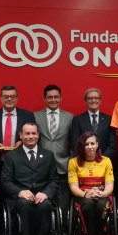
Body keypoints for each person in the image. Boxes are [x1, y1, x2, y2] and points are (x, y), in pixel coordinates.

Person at [1, 122, 59, 235]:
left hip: (42, 196)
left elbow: (54, 180)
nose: (31, 136)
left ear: (38, 135)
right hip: (21, 199)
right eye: (27, 133)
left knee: (45, 205)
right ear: (21, 135)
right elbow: (5, 181)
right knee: (25, 205)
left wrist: (45, 193)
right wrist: (20, 192)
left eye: (33, 133)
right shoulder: (11, 156)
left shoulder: (48, 155)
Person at [68, 132, 114, 235]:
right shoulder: (73, 162)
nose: (89, 147)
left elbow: (109, 186)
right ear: (81, 146)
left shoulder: (106, 161)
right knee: (87, 206)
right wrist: (86, 194)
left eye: (92, 143)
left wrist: (102, 194)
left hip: (102, 195)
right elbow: (73, 188)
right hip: (82, 196)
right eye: (86, 144)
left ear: (97, 145)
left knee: (101, 206)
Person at [34, 84, 74, 215]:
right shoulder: (35, 116)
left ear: (61, 98)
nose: (53, 100)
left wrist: (71, 161)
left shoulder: (70, 117)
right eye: (49, 97)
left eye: (56, 97)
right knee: (43, 198)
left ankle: (63, 227)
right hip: (41, 164)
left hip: (63, 164)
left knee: (63, 200)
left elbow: (73, 142)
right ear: (44, 99)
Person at [0, 85, 35, 176]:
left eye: (12, 96)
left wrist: (22, 142)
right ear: (0, 98)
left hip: (21, 162)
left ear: (17, 98)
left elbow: (35, 136)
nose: (9, 99)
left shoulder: (27, 115)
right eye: (6, 97)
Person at [70, 88, 116, 160]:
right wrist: (87, 158)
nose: (93, 100)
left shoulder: (109, 119)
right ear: (85, 101)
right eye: (90, 98)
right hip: (84, 162)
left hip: (104, 162)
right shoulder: (77, 120)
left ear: (100, 101)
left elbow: (112, 145)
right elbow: (74, 144)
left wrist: (102, 160)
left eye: (96, 98)